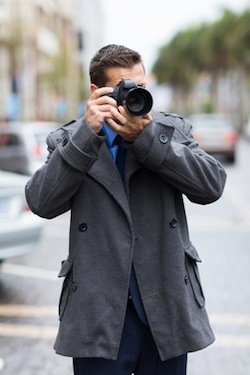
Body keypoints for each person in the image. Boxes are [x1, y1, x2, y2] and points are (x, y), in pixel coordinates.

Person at [25, 44, 227, 375]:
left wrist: (147, 140)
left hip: (166, 307)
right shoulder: (70, 139)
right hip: (98, 313)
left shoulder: (169, 131)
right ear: (96, 91)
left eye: (141, 87)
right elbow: (41, 202)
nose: (134, 95)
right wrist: (85, 137)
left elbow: (212, 186)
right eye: (124, 88)